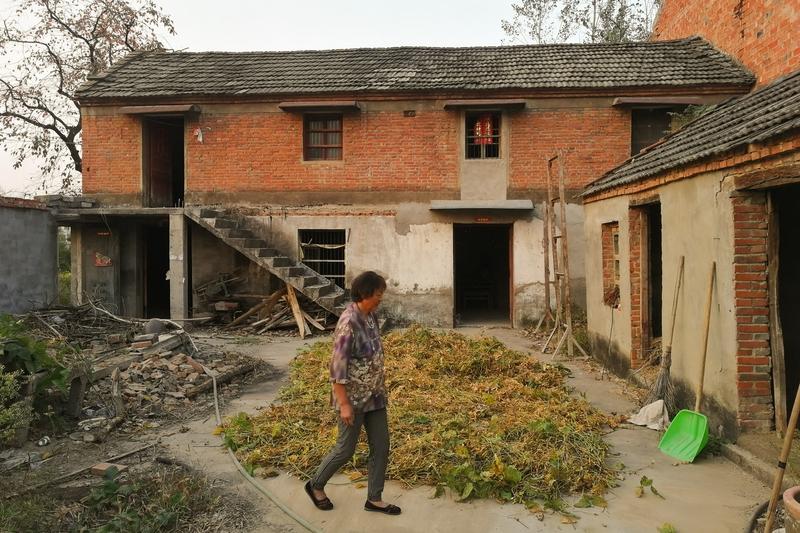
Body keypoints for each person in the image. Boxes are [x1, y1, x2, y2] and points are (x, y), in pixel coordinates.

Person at [304, 271, 401, 515]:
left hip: (375, 395)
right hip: (352, 398)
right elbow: (337, 368)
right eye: (378, 294)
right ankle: (316, 485)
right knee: (345, 449)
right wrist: (344, 404)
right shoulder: (348, 323)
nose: (381, 298)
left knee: (381, 446)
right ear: (365, 293)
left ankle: (374, 499)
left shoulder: (371, 317)